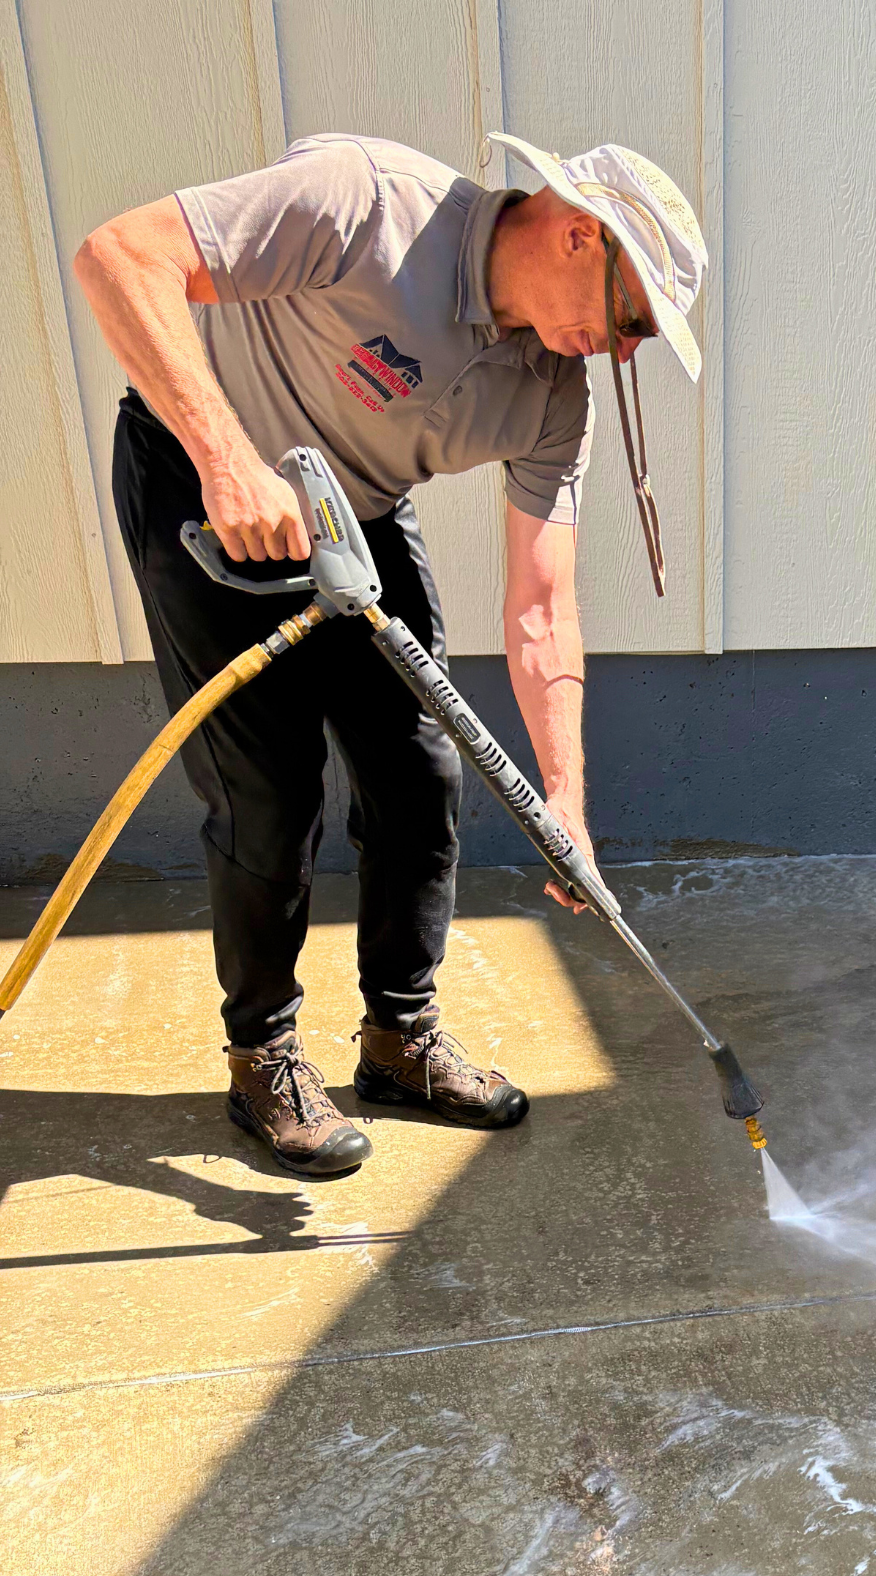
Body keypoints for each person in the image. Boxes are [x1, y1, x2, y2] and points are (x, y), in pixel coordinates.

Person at [74, 131, 706, 1177]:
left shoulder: (553, 393)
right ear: (578, 233)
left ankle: (398, 1040)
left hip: (351, 508)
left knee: (420, 771)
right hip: (200, 477)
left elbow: (542, 605)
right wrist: (228, 461)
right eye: (632, 314)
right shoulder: (367, 205)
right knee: (268, 791)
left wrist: (565, 804)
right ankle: (262, 1056)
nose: (626, 347)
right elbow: (118, 255)